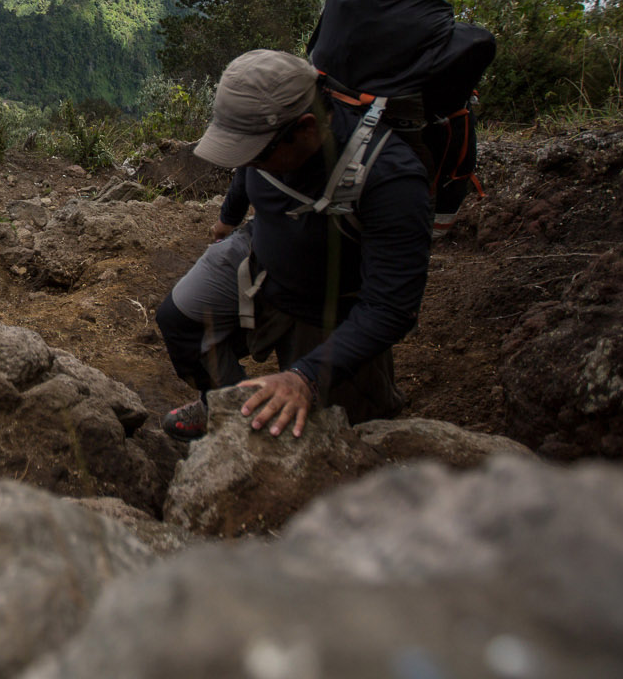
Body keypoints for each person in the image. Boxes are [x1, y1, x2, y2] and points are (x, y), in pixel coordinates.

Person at [157, 49, 432, 441]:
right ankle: (227, 406)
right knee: (179, 319)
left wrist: (305, 376)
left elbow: (391, 308)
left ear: (306, 128)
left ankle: (280, 407)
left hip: (329, 311)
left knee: (335, 439)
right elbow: (246, 167)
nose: (248, 162)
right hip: (260, 256)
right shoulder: (268, 146)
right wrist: (229, 217)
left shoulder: (391, 179)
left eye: (256, 154)